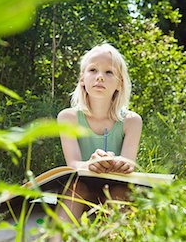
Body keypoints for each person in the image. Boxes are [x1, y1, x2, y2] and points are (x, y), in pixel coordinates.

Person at [55, 43, 142, 232]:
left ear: (120, 83)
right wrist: (89, 164)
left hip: (115, 189)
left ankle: (112, 234)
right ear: (82, 79)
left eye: (109, 72)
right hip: (81, 188)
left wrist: (120, 163)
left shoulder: (132, 121)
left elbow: (129, 163)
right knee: (75, 188)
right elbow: (73, 163)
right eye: (93, 70)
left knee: (120, 193)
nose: (100, 77)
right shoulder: (68, 118)